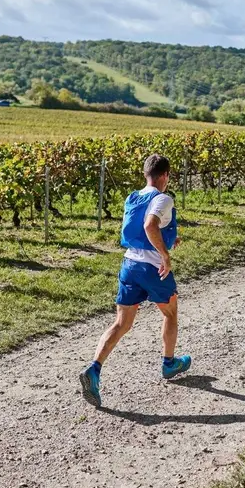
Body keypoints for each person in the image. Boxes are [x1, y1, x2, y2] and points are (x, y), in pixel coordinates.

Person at [79, 154, 191, 407]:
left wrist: (170, 241)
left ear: (145, 174)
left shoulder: (133, 197)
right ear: (165, 175)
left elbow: (141, 231)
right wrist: (165, 255)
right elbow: (150, 226)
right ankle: (169, 364)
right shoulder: (163, 198)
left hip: (129, 264)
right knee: (170, 312)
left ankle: (94, 369)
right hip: (152, 267)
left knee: (121, 323)